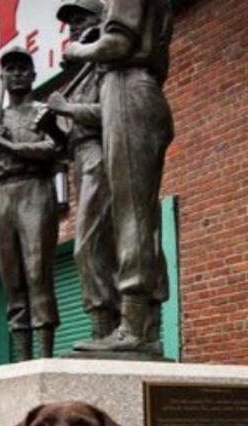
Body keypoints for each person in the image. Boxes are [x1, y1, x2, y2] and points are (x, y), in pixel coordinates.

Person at [64, 0, 173, 356]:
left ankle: (134, 327)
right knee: (136, 213)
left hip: (128, 88)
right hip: (124, 89)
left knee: (133, 215)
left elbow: (117, 44)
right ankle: (146, 325)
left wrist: (78, 49)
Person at [0, 47, 63, 359]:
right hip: (0, 195)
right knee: (11, 275)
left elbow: (55, 150)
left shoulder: (44, 112)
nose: (17, 74)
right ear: (3, 77)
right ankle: (23, 357)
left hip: (35, 189)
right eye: (10, 69)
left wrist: (9, 144)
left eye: (23, 68)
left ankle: (46, 353)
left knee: (38, 271)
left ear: (34, 75)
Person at [46, 0, 120, 346]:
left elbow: (113, 110)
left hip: (102, 153)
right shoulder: (81, 70)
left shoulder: (107, 60)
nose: (73, 27)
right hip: (80, 156)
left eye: (81, 18)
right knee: (97, 244)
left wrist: (68, 109)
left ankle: (105, 328)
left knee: (89, 244)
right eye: (70, 22)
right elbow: (67, 138)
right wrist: (55, 125)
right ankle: (106, 326)